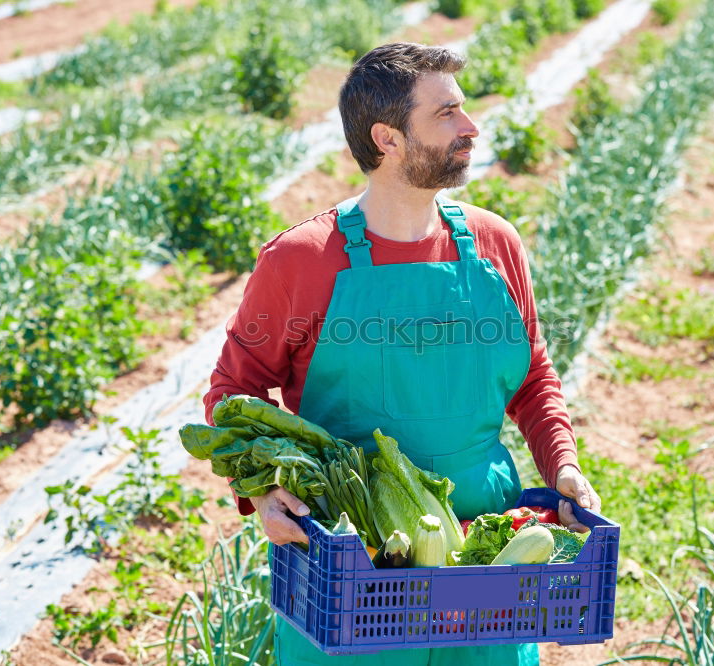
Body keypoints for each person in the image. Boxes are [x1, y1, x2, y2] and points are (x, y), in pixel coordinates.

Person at [203, 42, 601, 666]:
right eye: (447, 114)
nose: (471, 127)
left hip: (485, 556)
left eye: (464, 110)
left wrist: (563, 466)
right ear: (386, 139)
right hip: (352, 569)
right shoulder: (301, 260)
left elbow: (532, 379)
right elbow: (233, 393)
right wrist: (261, 494)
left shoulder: (496, 243)